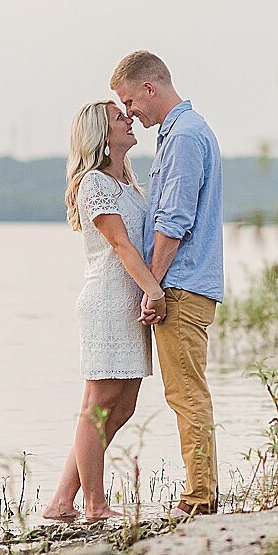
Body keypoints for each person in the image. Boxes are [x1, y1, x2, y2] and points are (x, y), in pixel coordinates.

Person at [111, 50, 224, 517]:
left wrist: (153, 287)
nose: (129, 112)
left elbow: (173, 222)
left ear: (149, 87)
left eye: (129, 100)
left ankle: (199, 499)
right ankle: (203, 492)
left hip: (180, 285)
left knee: (186, 394)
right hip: (184, 282)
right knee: (187, 392)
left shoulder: (184, 137)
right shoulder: (182, 133)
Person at [42, 100, 165, 521]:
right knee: (97, 404)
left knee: (124, 406)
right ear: (101, 134)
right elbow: (120, 244)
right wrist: (154, 291)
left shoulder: (129, 185)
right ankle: (94, 504)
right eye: (119, 117)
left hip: (133, 301)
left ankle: (62, 500)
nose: (129, 119)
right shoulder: (93, 183)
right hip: (108, 303)